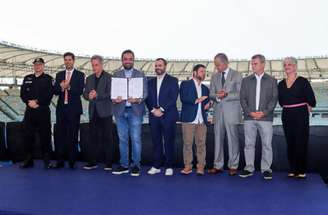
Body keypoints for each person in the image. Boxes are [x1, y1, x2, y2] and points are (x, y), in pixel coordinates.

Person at [239, 54, 278, 180]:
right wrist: (250, 112)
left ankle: (266, 169)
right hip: (249, 118)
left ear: (263, 64)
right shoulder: (246, 80)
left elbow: (274, 99)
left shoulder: (272, 80)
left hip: (265, 118)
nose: (252, 66)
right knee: (249, 144)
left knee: (267, 145)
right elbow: (242, 99)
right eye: (252, 63)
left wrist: (264, 112)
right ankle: (249, 168)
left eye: (255, 63)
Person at [278, 57, 316, 179]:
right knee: (290, 142)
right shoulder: (281, 84)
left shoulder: (303, 81)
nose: (287, 66)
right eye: (285, 65)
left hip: (300, 114)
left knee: (301, 142)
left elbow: (312, 100)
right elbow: (281, 102)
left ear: (295, 66)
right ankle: (292, 169)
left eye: (289, 64)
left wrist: (307, 105)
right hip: (287, 114)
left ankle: (301, 170)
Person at [111, 50, 148, 177]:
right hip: (120, 111)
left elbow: (145, 93)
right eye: (125, 59)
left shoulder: (141, 74)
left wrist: (138, 99)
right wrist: (114, 99)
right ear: (122, 60)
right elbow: (112, 94)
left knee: (136, 139)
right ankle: (124, 165)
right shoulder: (116, 75)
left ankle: (136, 165)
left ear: (133, 60)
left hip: (135, 110)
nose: (128, 61)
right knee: (122, 140)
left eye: (130, 59)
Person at [208, 53, 242, 176]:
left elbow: (240, 94)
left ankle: (233, 166)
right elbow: (211, 93)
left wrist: (226, 95)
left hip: (232, 112)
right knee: (217, 139)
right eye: (216, 65)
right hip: (218, 112)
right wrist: (217, 97)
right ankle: (218, 165)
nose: (217, 67)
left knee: (233, 139)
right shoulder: (214, 77)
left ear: (225, 63)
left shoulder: (237, 75)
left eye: (218, 65)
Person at [145, 58, 179, 176]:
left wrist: (162, 109)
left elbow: (173, 98)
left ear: (165, 67)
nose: (157, 67)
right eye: (156, 66)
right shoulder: (149, 82)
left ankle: (169, 166)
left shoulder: (173, 80)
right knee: (156, 141)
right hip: (154, 115)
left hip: (168, 115)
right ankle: (156, 165)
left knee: (169, 141)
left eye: (160, 65)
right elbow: (147, 98)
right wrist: (153, 110)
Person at [19, 58, 54, 169]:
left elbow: (49, 95)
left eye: (40, 64)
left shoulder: (49, 79)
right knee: (28, 136)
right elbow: (23, 93)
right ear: (33, 66)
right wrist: (29, 102)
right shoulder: (27, 78)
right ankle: (28, 160)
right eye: (36, 64)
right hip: (30, 111)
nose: (37, 66)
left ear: (43, 66)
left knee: (45, 136)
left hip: (42, 111)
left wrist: (37, 101)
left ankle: (47, 161)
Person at [53, 52, 85, 169]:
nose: (67, 62)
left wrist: (69, 87)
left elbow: (80, 91)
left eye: (69, 60)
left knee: (73, 135)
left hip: (74, 110)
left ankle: (72, 160)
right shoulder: (59, 74)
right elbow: (55, 91)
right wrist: (61, 87)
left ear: (73, 60)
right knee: (60, 136)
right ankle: (60, 160)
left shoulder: (80, 75)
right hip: (61, 109)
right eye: (65, 60)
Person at [82, 55, 114, 171]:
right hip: (93, 112)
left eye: (96, 65)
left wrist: (97, 95)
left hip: (106, 112)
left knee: (108, 138)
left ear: (101, 65)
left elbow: (111, 94)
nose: (94, 67)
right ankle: (92, 162)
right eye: (93, 65)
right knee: (93, 138)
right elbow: (85, 94)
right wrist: (88, 96)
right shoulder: (89, 78)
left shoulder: (109, 77)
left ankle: (109, 163)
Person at [180, 64, 210, 175]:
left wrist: (208, 105)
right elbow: (184, 98)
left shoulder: (205, 88)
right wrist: (197, 100)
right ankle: (188, 166)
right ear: (195, 72)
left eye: (204, 72)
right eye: (201, 71)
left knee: (201, 144)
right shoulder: (185, 84)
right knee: (188, 144)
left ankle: (201, 166)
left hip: (201, 120)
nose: (203, 73)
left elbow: (206, 104)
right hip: (188, 119)